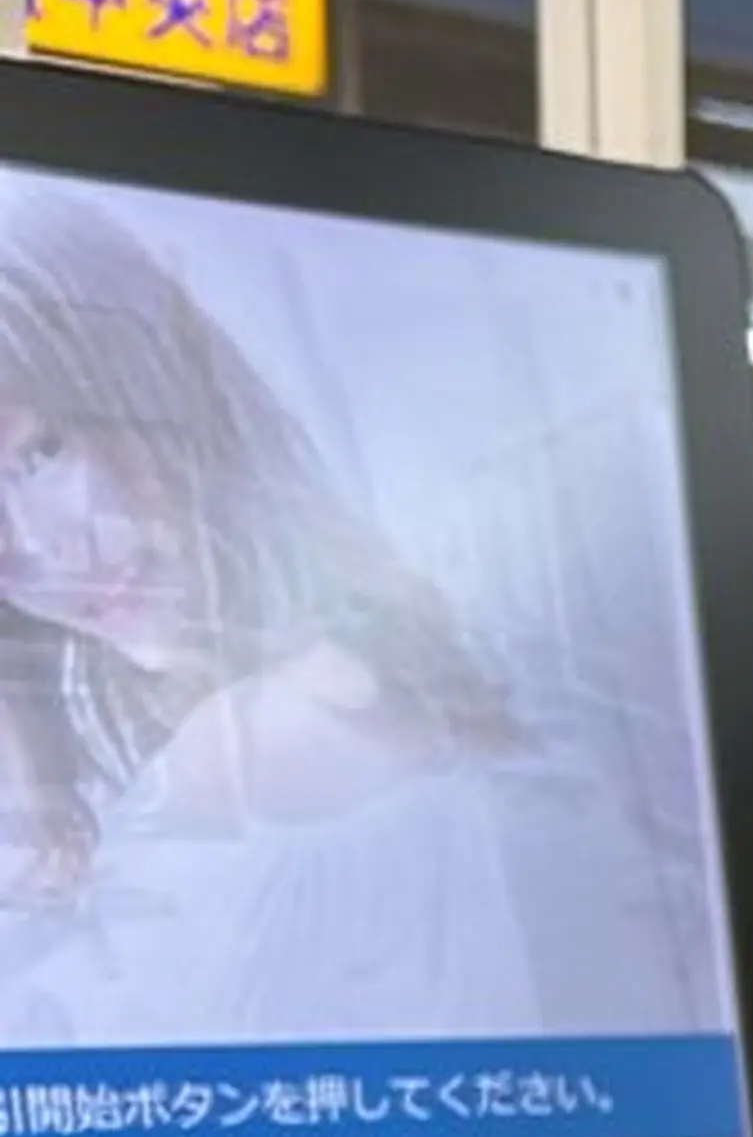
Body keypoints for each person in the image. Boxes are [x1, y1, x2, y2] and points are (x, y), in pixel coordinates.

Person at [0, 181, 540, 1038]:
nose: (39, 552)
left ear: (153, 383)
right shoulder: (144, 705)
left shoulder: (266, 731)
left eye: (45, 451)